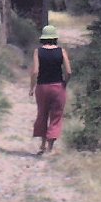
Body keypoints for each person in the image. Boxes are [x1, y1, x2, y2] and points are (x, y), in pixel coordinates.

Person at [29, 24, 72, 155]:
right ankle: (50, 148)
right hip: (57, 86)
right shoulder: (61, 51)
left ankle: (42, 145)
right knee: (56, 116)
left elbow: (35, 71)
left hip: (42, 87)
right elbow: (69, 71)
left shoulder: (38, 51)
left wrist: (32, 87)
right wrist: (65, 83)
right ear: (55, 38)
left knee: (42, 114)